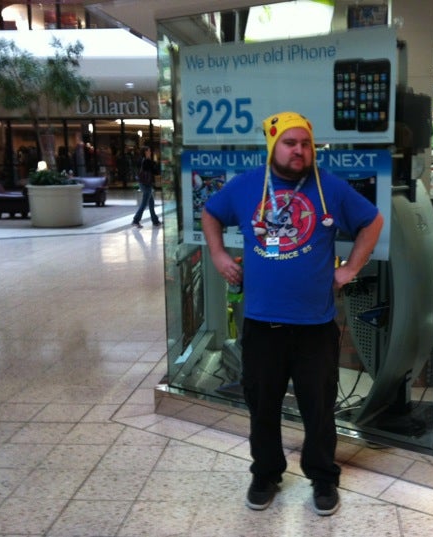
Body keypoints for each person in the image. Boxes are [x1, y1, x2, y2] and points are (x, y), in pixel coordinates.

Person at [201, 111, 383, 516]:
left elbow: (372, 221)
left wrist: (351, 268)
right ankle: (266, 474)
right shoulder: (247, 185)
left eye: (305, 143)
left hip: (314, 324)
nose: (298, 150)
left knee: (318, 410)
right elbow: (211, 213)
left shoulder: (329, 187)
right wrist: (217, 255)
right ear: (273, 145)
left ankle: (323, 477)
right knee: (262, 406)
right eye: (289, 142)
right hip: (262, 322)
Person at [131, 145, 161, 228]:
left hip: (142, 183)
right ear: (145, 152)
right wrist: (155, 163)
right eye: (149, 151)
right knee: (144, 203)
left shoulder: (140, 160)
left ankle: (155, 221)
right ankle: (135, 220)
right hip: (146, 184)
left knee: (151, 203)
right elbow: (156, 171)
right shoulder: (147, 161)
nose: (150, 152)